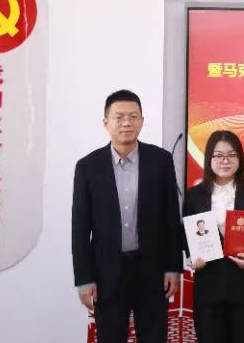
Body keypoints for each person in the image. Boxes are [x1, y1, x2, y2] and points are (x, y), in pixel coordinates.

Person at [72, 89, 182, 343]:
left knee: (154, 336)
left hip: (152, 270)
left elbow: (170, 219)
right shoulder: (88, 167)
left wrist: (173, 267)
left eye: (133, 116)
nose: (126, 123)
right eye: (119, 117)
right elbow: (80, 227)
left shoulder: (161, 160)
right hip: (107, 272)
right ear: (106, 122)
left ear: (142, 121)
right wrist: (84, 278)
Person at [183, 130, 244, 343]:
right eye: (218, 155)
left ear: (240, 158)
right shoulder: (194, 195)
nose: (225, 161)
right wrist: (192, 258)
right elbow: (187, 234)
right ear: (209, 159)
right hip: (209, 287)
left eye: (232, 155)